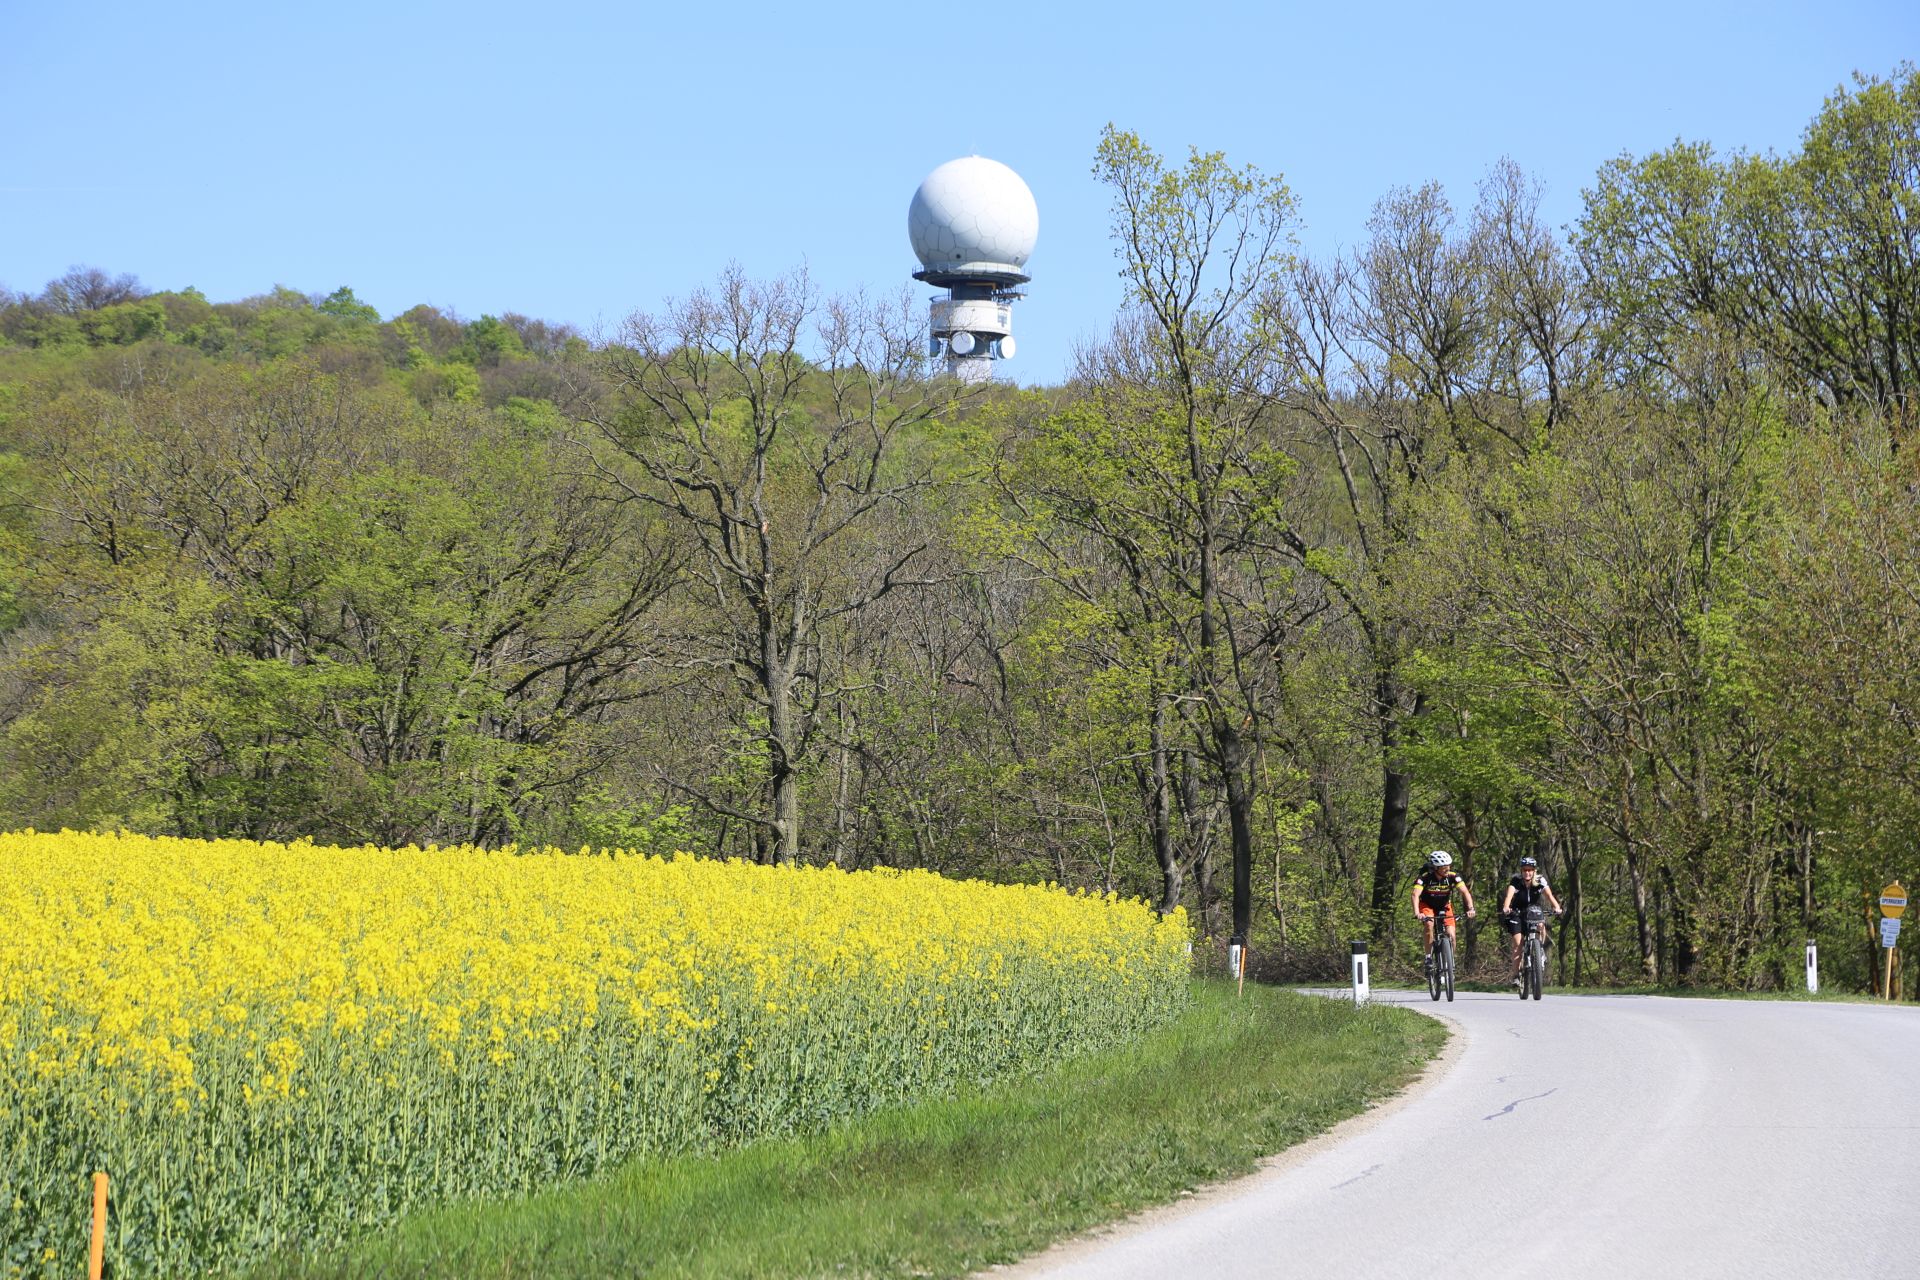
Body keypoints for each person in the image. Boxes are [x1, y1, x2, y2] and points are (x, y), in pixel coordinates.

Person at [1500, 856, 1564, 988]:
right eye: (1524, 870)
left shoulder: (1540, 880)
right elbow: (1509, 896)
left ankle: (1539, 950)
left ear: (1534, 871)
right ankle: (1516, 975)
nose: (1527, 873)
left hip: (1533, 911)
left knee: (1541, 924)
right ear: (1521, 871)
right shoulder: (1516, 881)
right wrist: (1506, 907)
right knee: (1518, 943)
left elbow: (1549, 896)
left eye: (1530, 870)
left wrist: (1556, 907)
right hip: (1517, 913)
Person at [1411, 850, 1475, 973]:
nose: (1447, 869)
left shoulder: (1453, 876)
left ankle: (1450, 962)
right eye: (1444, 868)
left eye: (1448, 866)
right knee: (1429, 924)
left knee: (1451, 934)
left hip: (1444, 906)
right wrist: (1417, 912)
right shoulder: (1425, 878)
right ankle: (1428, 958)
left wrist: (1471, 908)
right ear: (1436, 868)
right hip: (1427, 905)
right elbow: (1415, 895)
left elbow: (1465, 892)